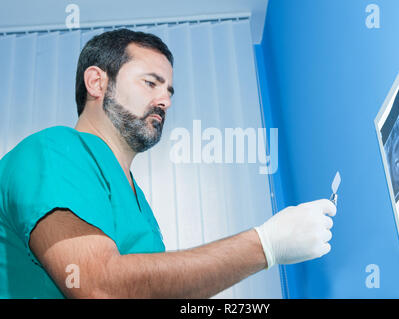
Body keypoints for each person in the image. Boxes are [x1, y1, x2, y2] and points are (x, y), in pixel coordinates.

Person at [0, 29, 336, 298]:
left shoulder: (139, 206)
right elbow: (96, 287)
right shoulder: (54, 150)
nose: (165, 101)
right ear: (97, 82)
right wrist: (265, 245)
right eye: (150, 83)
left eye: (170, 92)